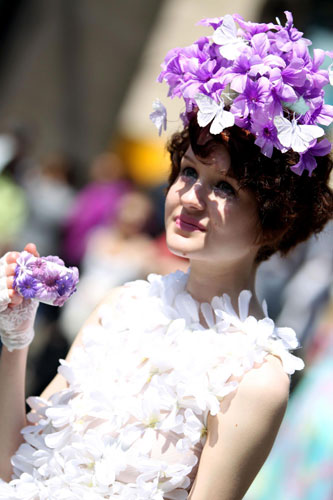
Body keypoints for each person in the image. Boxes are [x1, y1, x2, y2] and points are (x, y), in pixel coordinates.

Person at [0, 11, 332, 500]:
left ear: (274, 217)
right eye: (190, 172)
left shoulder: (257, 380)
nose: (191, 196)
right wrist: (15, 338)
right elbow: (13, 468)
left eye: (225, 188)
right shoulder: (120, 308)